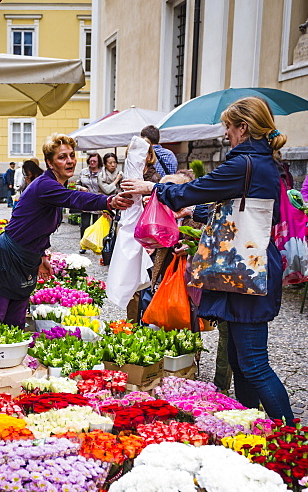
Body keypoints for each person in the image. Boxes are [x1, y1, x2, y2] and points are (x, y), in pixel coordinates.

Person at [122, 97, 293, 422]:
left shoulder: (245, 163)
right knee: (240, 359)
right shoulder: (260, 162)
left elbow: (195, 189)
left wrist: (151, 187)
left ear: (243, 128)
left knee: (254, 363)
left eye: (229, 127)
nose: (226, 134)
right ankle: (251, 423)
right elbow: (238, 209)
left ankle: (291, 434)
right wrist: (195, 210)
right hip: (246, 265)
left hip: (246, 269)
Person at [0, 134, 133, 326]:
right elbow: (74, 198)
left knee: (15, 324)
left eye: (71, 155)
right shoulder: (45, 185)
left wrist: (42, 256)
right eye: (62, 157)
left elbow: (40, 227)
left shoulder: (57, 185)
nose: (69, 161)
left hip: (26, 259)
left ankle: (12, 356)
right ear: (50, 163)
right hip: (7, 258)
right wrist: (108, 201)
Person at [75, 153, 104, 251]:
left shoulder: (102, 172)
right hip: (86, 201)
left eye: (94, 161)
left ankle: (94, 244)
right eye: (90, 161)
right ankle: (83, 245)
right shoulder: (84, 171)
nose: (92, 163)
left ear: (98, 162)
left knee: (96, 225)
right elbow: (77, 184)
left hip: (98, 201)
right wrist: (80, 188)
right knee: (85, 224)